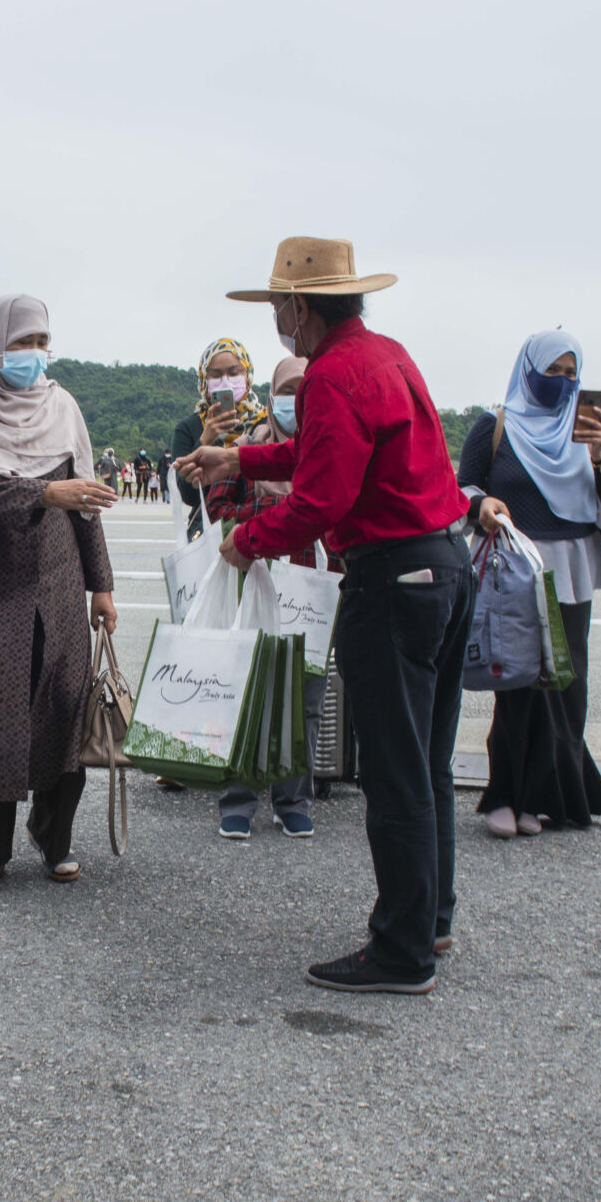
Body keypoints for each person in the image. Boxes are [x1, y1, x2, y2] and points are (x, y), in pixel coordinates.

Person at [180, 237, 507, 996]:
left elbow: (323, 499)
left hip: (390, 580)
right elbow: (335, 455)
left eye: (276, 308)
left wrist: (246, 542)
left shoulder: (330, 374)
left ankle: (401, 952)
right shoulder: (387, 354)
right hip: (446, 568)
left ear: (298, 307)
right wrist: (241, 461)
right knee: (424, 763)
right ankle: (431, 918)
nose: (277, 321)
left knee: (394, 773)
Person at [0, 295, 118, 894]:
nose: (33, 355)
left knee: (61, 702)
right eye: (22, 342)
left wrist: (101, 586)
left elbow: (83, 502)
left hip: (54, 577)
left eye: (41, 342)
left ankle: (52, 835)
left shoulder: (62, 407)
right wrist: (42, 495)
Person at [459, 332, 601, 838]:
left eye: (570, 373)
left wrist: (600, 457)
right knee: (516, 685)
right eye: (550, 371)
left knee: (565, 686)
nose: (562, 382)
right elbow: (464, 487)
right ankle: (503, 794)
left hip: (572, 568)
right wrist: (481, 506)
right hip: (514, 568)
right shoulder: (496, 426)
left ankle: (540, 797)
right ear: (527, 370)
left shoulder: (590, 431)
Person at [203, 355, 337, 840]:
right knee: (246, 691)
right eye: (290, 388)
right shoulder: (244, 449)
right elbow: (220, 508)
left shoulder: (330, 445)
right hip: (253, 583)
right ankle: (237, 797)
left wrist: (281, 518)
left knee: (306, 696)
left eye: (306, 387)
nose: (296, 398)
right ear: (276, 391)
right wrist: (282, 516)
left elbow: (338, 511)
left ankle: (292, 798)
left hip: (312, 589)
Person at [171, 340, 259, 540]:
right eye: (216, 375)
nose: (226, 381)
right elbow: (188, 494)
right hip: (209, 534)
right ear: (204, 378)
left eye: (234, 372)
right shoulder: (188, 428)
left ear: (248, 375)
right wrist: (206, 438)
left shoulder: (264, 423)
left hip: (257, 528)